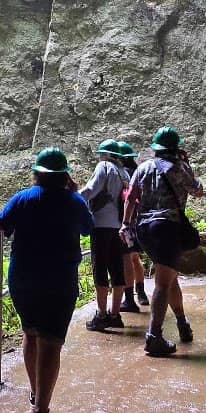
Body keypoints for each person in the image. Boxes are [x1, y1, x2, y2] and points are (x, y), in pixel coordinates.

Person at [0, 147, 93, 413]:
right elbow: (88, 229)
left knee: (31, 333)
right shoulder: (74, 201)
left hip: (23, 280)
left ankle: (35, 395)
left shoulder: (23, 198)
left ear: (37, 173)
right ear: (64, 174)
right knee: (51, 342)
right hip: (59, 280)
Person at [122, 126, 205, 357]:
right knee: (162, 283)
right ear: (176, 148)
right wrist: (188, 166)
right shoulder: (180, 167)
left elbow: (131, 197)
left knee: (168, 277)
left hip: (144, 229)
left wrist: (125, 224)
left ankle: (182, 323)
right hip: (167, 228)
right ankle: (153, 337)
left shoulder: (144, 167)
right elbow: (198, 190)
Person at [81, 141, 131, 331]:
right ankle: (115, 314)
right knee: (117, 269)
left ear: (105, 154)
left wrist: (73, 199)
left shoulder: (104, 167)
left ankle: (101, 315)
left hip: (101, 225)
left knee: (100, 270)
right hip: (119, 226)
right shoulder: (124, 172)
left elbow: (91, 190)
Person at [109, 141, 150, 309]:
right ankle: (141, 293)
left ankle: (129, 298)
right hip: (139, 220)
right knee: (135, 258)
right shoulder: (138, 171)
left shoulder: (122, 174)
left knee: (127, 258)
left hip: (126, 221)